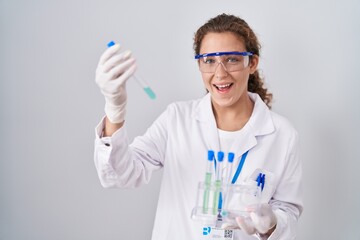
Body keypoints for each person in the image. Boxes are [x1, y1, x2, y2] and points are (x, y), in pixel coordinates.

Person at [94, 13, 303, 240]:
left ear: (252, 63)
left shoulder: (282, 134)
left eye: (232, 59)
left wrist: (272, 223)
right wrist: (114, 109)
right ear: (199, 64)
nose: (220, 73)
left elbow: (288, 211)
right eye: (209, 61)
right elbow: (120, 175)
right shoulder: (177, 119)